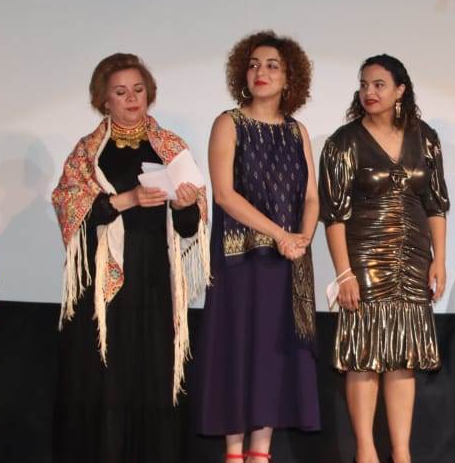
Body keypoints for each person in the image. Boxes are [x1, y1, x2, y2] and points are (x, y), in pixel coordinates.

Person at [51, 53, 209, 463]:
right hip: (103, 285)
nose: (132, 98)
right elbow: (69, 208)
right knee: (105, 380)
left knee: (153, 376)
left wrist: (185, 205)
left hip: (154, 278)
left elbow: (189, 228)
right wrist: (129, 199)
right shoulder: (88, 151)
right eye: (121, 92)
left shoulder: (170, 147)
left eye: (138, 89)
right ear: (104, 99)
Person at [195, 31, 321, 462]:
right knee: (236, 351)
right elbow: (225, 195)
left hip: (285, 263)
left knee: (272, 357)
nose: (260, 72)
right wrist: (281, 234)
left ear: (289, 77)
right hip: (239, 262)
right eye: (253, 65)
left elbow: (311, 197)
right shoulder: (228, 123)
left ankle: (260, 454)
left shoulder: (297, 131)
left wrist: (302, 237)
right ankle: (234, 454)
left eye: (271, 65)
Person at [318, 54, 449, 463]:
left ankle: (402, 453)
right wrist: (344, 273)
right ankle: (365, 452)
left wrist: (439, 259)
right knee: (363, 357)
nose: (369, 92)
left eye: (378, 84)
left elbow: (436, 204)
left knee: (403, 359)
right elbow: (333, 215)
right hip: (364, 260)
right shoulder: (342, 142)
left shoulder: (425, 137)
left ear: (400, 90)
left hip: (413, 260)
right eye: (363, 84)